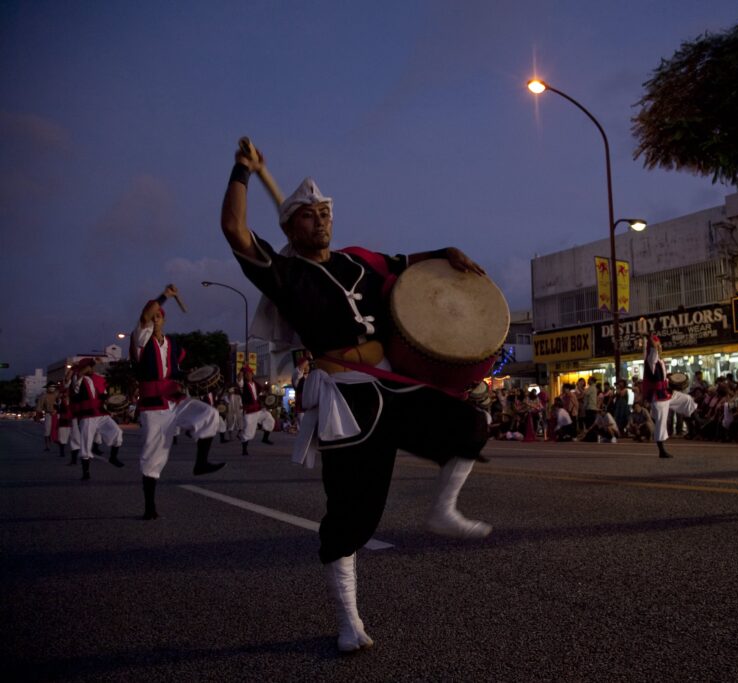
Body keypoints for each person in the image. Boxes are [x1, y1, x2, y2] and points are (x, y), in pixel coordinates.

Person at [221, 142, 493, 652]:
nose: (320, 221)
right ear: (289, 229)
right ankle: (349, 622)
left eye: (325, 213)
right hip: (344, 397)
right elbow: (234, 230)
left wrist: (446, 252)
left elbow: (410, 264)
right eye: (307, 216)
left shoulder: (361, 261)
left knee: (468, 424)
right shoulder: (286, 275)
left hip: (392, 381)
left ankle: (443, 510)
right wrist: (242, 171)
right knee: (352, 515)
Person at [131, 286, 225, 519]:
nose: (154, 319)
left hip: (176, 398)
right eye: (151, 316)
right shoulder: (141, 338)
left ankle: (201, 463)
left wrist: (191, 374)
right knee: (154, 457)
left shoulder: (172, 344)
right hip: (154, 406)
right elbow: (144, 316)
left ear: (164, 319)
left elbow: (177, 370)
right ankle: (149, 507)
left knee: (208, 414)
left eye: (158, 315)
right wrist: (165, 295)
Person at [640, 328, 697, 458]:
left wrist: (669, 378)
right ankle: (661, 450)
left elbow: (663, 377)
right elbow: (653, 348)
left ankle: (693, 429)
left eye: (660, 345)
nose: (660, 347)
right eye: (658, 345)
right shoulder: (651, 360)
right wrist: (649, 337)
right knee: (661, 423)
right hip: (659, 397)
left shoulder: (660, 361)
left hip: (667, 393)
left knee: (687, 400)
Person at [71, 358, 125, 481]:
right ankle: (86, 472)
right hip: (87, 415)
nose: (90, 368)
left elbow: (105, 395)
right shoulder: (78, 378)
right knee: (86, 443)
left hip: (102, 413)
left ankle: (113, 457)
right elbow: (75, 390)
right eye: (88, 366)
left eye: (91, 366)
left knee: (117, 432)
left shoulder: (100, 378)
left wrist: (113, 405)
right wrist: (79, 372)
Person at [238, 366, 275, 455]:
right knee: (249, 432)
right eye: (246, 374)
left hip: (258, 409)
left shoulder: (256, 384)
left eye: (249, 373)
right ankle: (244, 450)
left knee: (269, 418)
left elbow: (261, 393)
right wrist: (242, 370)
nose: (248, 375)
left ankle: (265, 438)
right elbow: (239, 380)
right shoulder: (243, 385)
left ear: (252, 374)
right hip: (250, 411)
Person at [35, 383, 59, 451]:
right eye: (50, 387)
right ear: (47, 388)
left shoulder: (57, 395)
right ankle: (47, 445)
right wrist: (37, 417)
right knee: (47, 430)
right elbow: (39, 406)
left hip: (58, 414)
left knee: (58, 429)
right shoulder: (44, 396)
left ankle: (58, 442)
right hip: (48, 414)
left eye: (53, 387)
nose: (52, 388)